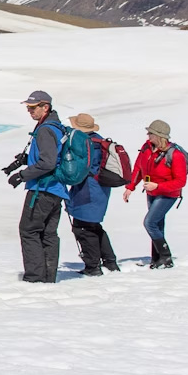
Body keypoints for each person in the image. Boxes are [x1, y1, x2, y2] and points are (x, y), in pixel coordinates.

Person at [6, 91, 69, 283]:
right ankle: (48, 277)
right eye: (28, 108)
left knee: (29, 230)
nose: (30, 111)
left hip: (42, 189)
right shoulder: (56, 127)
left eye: (33, 108)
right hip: (56, 188)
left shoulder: (45, 130)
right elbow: (51, 158)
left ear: (45, 107)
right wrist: (24, 161)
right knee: (48, 233)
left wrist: (22, 176)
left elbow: (48, 163)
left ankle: (35, 278)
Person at [123, 119, 187, 269]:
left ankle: (165, 257)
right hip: (151, 191)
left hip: (167, 194)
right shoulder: (146, 148)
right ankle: (156, 259)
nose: (148, 135)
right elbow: (139, 168)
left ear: (159, 136)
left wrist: (158, 185)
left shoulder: (175, 155)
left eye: (150, 133)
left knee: (150, 223)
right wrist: (130, 187)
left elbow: (180, 181)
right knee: (157, 224)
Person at [65, 113, 119, 276]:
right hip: (100, 188)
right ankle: (110, 262)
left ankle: (93, 266)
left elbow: (81, 168)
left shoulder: (85, 143)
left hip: (88, 189)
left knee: (83, 227)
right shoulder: (99, 140)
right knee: (93, 226)